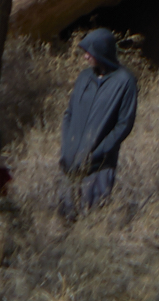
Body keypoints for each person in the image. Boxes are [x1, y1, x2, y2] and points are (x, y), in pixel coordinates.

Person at [57, 26, 139, 213]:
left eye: (89, 52)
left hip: (99, 168)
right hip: (70, 165)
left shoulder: (125, 81)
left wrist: (97, 153)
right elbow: (69, 113)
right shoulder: (84, 77)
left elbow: (123, 125)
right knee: (64, 224)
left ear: (102, 51)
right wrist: (66, 148)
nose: (85, 57)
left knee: (92, 220)